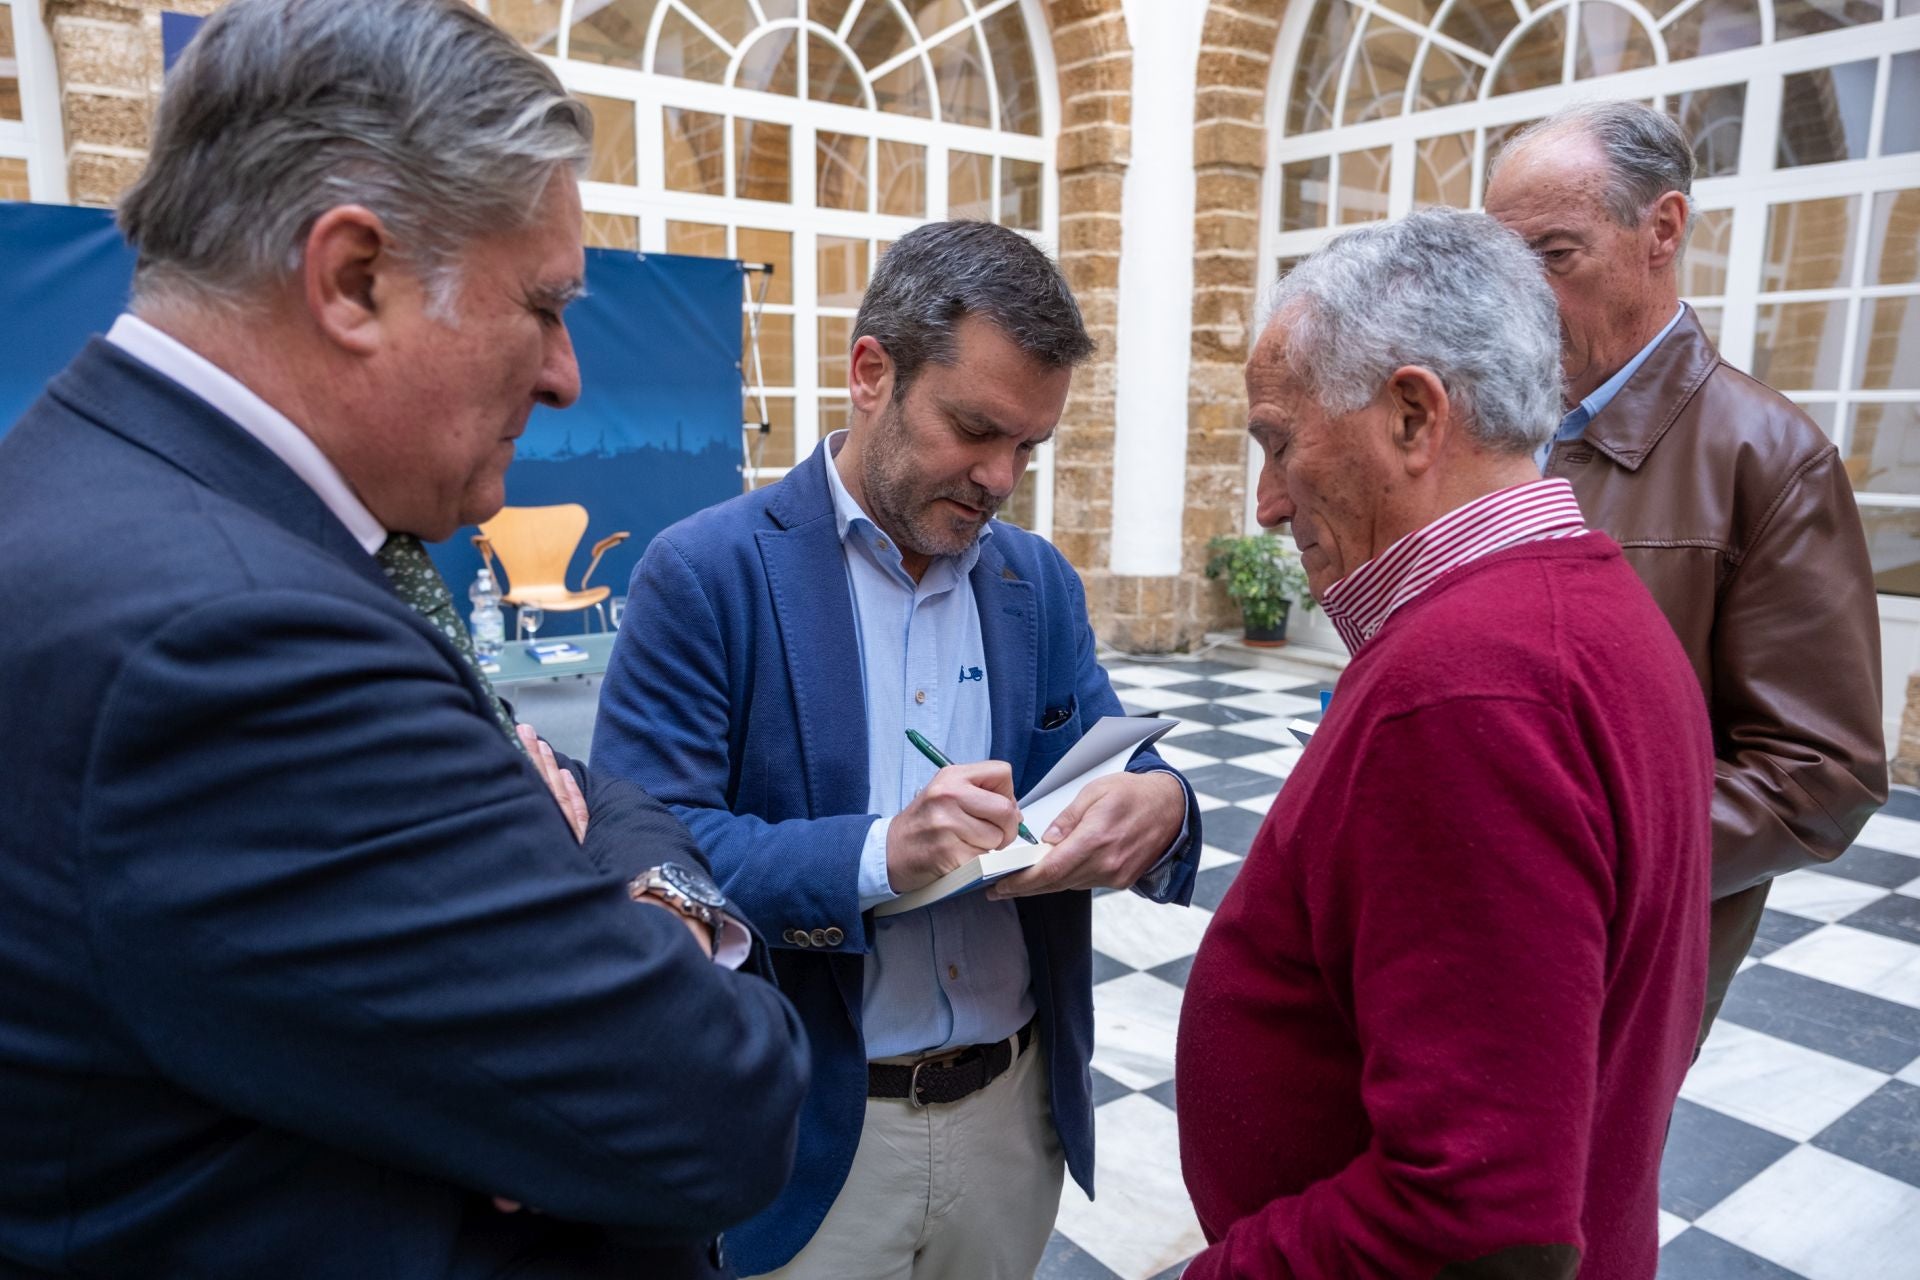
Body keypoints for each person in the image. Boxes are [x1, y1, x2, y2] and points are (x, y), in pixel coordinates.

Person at [0, 1, 807, 1276]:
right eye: (542, 305)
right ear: (354, 277)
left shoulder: (127, 502)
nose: (565, 375)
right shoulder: (230, 644)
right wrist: (646, 891)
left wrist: (575, 851)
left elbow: (557, 791)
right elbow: (715, 1104)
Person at [592, 219, 1203, 1279]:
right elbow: (654, 845)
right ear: (869, 370)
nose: (1002, 475)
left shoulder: (1035, 580)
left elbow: (1114, 758)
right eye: (976, 428)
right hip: (819, 1126)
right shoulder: (706, 575)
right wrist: (879, 855)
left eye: (1029, 447)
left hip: (1014, 1120)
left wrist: (1163, 807)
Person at [1175, 209, 1713, 1278]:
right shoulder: (1584, 601)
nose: (1272, 502)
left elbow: (1478, 1221)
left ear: (1415, 416)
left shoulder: (1471, 685)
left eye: (1281, 441)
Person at [1485, 101, 1888, 1041]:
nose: (1521, 300)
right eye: (1507, 266)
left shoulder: (1772, 458)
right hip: (1465, 912)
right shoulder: (1501, 421)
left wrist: (1579, 855)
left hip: (1616, 964)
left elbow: (1821, 775)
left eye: (1554, 255)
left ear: (1662, 229)